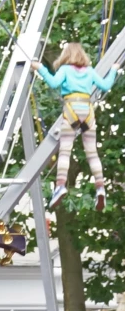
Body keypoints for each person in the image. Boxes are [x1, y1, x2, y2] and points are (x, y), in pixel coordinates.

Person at [31, 43, 120, 211]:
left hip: (71, 109)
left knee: (65, 151)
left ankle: (60, 185)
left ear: (66, 55)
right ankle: (100, 187)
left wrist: (40, 67)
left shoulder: (65, 70)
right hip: (88, 111)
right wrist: (114, 69)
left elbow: (53, 82)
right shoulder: (90, 71)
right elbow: (106, 85)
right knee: (92, 153)